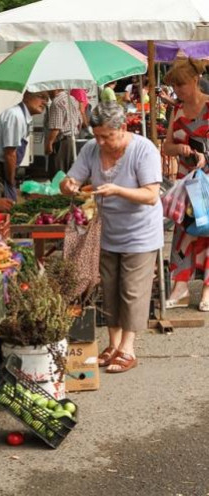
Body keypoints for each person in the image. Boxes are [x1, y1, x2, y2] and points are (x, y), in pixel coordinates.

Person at [60, 101, 163, 373]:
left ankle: (128, 349)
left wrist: (118, 190)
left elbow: (151, 195)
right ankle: (113, 344)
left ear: (123, 127)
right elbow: (70, 180)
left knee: (132, 289)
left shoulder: (143, 150)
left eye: (108, 136)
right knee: (110, 288)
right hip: (107, 231)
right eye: (97, 136)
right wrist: (69, 185)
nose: (102, 142)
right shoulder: (91, 149)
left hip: (140, 232)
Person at [162, 58, 209, 311]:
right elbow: (167, 145)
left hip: (208, 181)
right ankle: (180, 285)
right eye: (174, 85)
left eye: (180, 84)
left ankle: (207, 290)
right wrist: (178, 147)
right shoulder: (177, 110)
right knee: (183, 232)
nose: (177, 90)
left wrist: (205, 156)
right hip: (185, 181)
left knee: (208, 230)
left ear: (195, 81)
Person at [0, 90, 48, 202]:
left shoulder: (24, 117)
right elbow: (10, 154)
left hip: (2, 168)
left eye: (47, 99)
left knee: (7, 208)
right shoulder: (16, 116)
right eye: (41, 97)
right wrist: (11, 181)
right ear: (27, 96)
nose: (44, 102)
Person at [45, 89, 81, 172]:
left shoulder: (57, 102)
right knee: (69, 170)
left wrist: (49, 143)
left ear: (54, 89)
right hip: (72, 138)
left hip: (61, 141)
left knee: (58, 172)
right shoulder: (72, 99)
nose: (47, 93)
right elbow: (79, 120)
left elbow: (56, 126)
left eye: (48, 90)